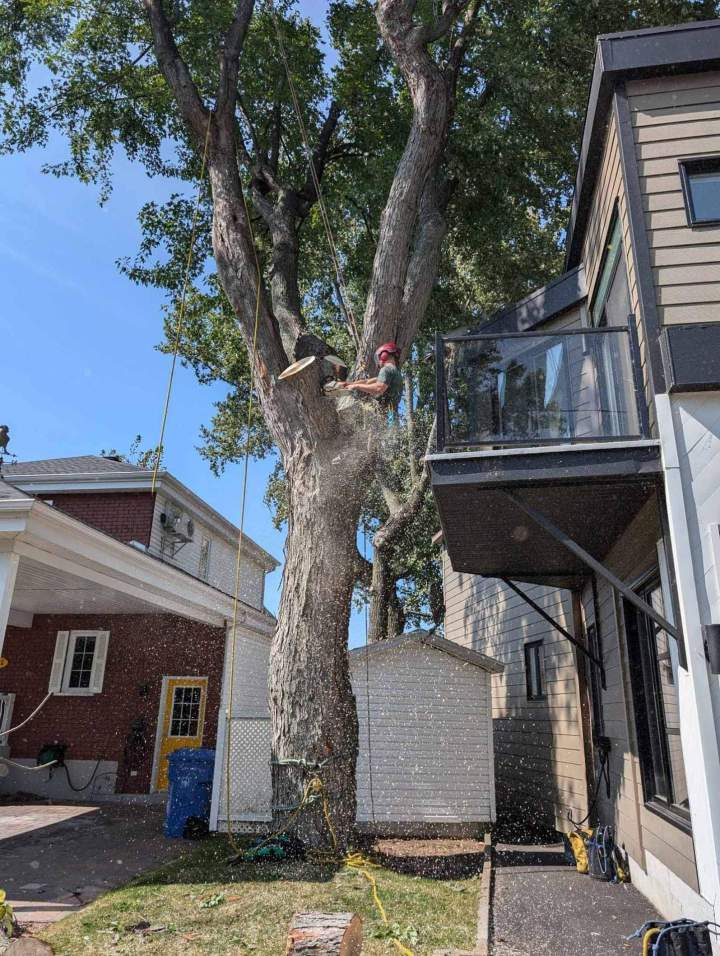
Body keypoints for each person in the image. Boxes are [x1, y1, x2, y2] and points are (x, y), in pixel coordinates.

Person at [341, 342, 404, 411]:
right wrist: (350, 384)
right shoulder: (396, 373)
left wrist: (357, 386)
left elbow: (378, 388)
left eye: (379, 358)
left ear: (384, 355)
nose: (378, 362)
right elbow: (368, 381)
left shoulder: (386, 369)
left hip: (384, 413)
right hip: (390, 413)